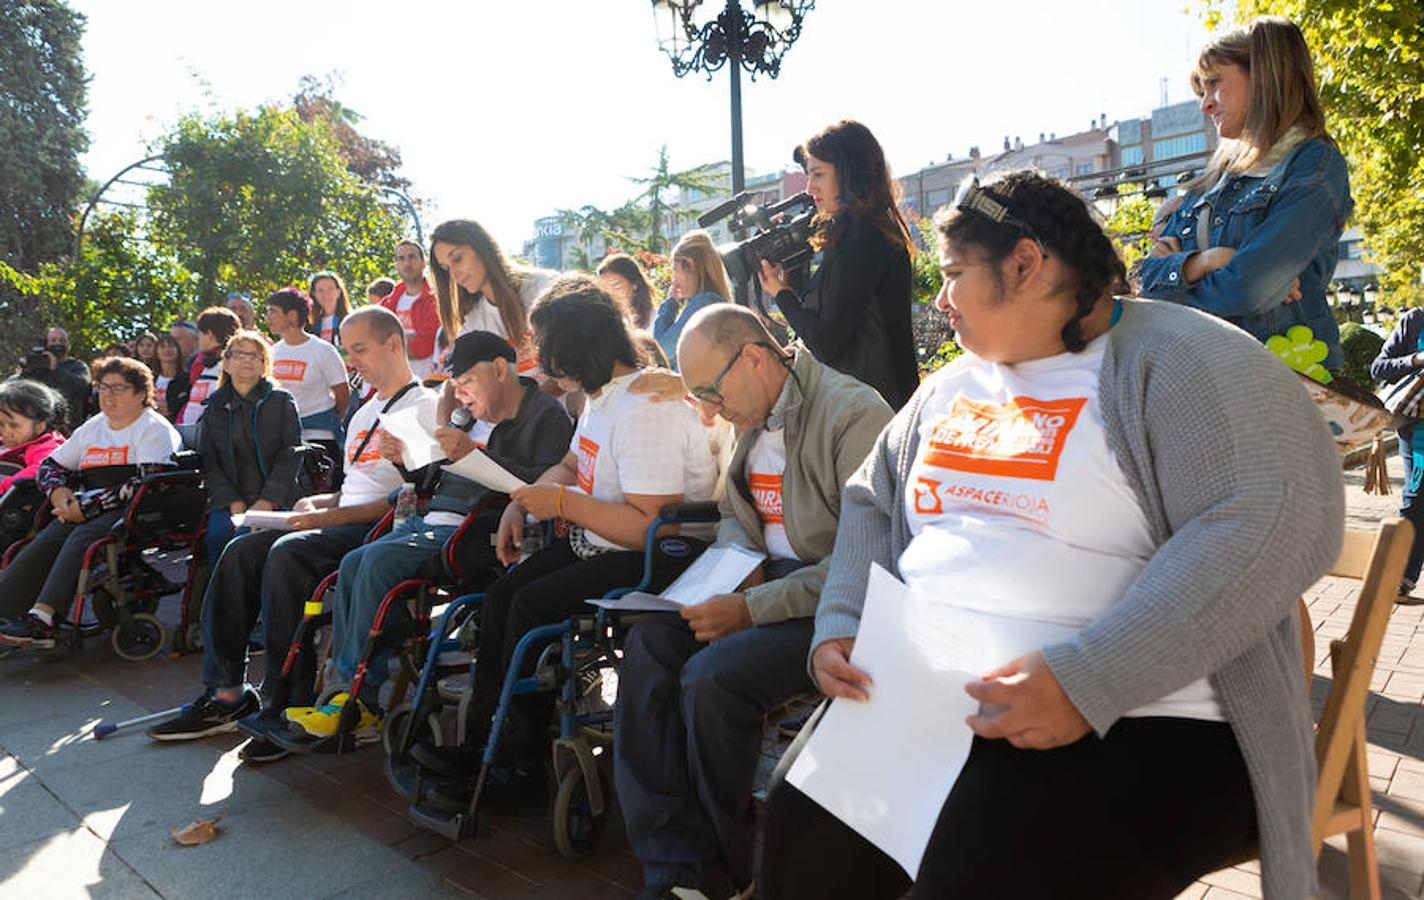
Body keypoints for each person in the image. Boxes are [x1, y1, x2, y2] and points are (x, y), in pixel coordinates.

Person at [755, 169, 1345, 900]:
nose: (942, 299)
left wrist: (1087, 676)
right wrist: (844, 619)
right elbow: (872, 498)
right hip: (933, 701)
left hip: (1149, 720)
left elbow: (1271, 519)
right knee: (798, 837)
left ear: (1026, 264)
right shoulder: (952, 385)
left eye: (954, 275)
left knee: (975, 868)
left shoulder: (1189, 360)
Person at [614, 304, 892, 898]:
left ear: (757, 358)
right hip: (762, 583)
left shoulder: (854, 414)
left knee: (713, 680)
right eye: (699, 400)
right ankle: (673, 862)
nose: (710, 412)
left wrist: (754, 605)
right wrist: (739, 569)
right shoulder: (753, 415)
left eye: (710, 394)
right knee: (649, 644)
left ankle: (722, 870)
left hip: (831, 605)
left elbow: (863, 561)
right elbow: (736, 517)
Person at [416, 275, 719, 812]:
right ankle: (485, 738)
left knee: (530, 606)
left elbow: (655, 526)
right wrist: (524, 497)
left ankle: (518, 761)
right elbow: (575, 462)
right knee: (504, 596)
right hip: (601, 542)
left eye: (552, 349)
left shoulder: (647, 408)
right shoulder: (606, 398)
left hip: (653, 560)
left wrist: (562, 506)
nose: (548, 364)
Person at [146, 306, 437, 759]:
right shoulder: (366, 409)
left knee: (287, 553)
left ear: (394, 344)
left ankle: (288, 699)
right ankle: (225, 692)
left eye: (359, 350)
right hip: (343, 518)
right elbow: (354, 486)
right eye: (348, 350)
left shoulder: (424, 406)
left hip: (378, 532)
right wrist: (321, 503)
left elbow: (416, 500)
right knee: (241, 551)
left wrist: (327, 518)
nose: (352, 360)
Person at [285, 330, 575, 742]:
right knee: (354, 561)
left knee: (377, 562)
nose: (462, 394)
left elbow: (542, 484)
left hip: (477, 530)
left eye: (467, 383)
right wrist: (405, 459)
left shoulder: (544, 415)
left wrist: (474, 455)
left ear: (498, 370)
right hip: (432, 518)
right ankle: (344, 690)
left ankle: (361, 699)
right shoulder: (467, 415)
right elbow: (432, 477)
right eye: (456, 387)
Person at [1136, 16, 1351, 372]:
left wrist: (1176, 280)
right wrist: (1201, 263)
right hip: (1209, 375)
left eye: (1214, 84)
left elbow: (1250, 288)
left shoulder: (1315, 164)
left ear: (1266, 75)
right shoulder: (1212, 180)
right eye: (1201, 90)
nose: (1204, 105)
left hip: (1286, 381)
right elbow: (1143, 280)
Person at [0, 358, 182, 648]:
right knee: (50, 534)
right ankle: (6, 607)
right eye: (103, 387)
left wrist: (86, 508)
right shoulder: (94, 426)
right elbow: (50, 466)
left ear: (140, 393)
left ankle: (43, 619)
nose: (108, 396)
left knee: (82, 536)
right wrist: (58, 493)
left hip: (137, 509)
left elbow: (147, 483)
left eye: (118, 389)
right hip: (85, 506)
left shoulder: (153, 429)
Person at [757, 120, 918, 411]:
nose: (809, 187)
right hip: (878, 404)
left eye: (818, 174)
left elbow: (825, 342)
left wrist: (779, 293)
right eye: (808, 175)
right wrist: (792, 263)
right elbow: (827, 317)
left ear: (849, 174)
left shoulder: (861, 238)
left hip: (871, 412)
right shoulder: (868, 231)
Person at [197, 330, 303, 567]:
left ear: (264, 364)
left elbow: (291, 454)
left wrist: (267, 500)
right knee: (219, 537)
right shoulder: (214, 407)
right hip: (230, 498)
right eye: (240, 354)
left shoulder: (281, 401)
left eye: (255, 355)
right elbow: (210, 462)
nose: (247, 359)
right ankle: (223, 601)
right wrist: (232, 500)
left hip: (276, 496)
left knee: (246, 540)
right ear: (226, 363)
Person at [1371, 309, 1424, 599]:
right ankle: (1403, 575)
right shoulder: (1416, 321)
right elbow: (1378, 368)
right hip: (1419, 428)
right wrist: (1416, 359)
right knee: (1417, 501)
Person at [266, 288, 351, 465]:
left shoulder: (323, 350)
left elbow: (343, 394)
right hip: (281, 439)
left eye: (273, 311)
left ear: (292, 315)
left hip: (319, 438)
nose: (268, 317)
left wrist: (326, 420)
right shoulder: (272, 352)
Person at [654, 231, 729, 370]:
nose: (673, 279)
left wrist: (670, 304)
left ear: (689, 263)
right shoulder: (710, 302)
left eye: (675, 269)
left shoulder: (704, 304)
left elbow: (661, 353)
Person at [382, 241, 441, 379]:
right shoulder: (388, 302)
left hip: (427, 382)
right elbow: (374, 339)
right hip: (393, 381)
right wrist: (408, 338)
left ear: (423, 262)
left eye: (412, 257)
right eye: (401, 259)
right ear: (396, 265)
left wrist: (389, 343)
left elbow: (423, 346)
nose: (407, 263)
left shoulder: (436, 301)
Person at [178, 306, 242, 427]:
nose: (199, 339)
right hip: (193, 435)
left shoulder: (233, 367)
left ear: (210, 335)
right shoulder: (208, 365)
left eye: (200, 334)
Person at [0, 380, 66, 494]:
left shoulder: (47, 449)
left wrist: (4, 488)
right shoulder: (7, 443)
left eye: (14, 425)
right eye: (0, 424)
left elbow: (42, 468)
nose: (5, 431)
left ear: (39, 426)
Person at [597, 252, 658, 331]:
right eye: (605, 289)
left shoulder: (656, 320)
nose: (611, 294)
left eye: (616, 287)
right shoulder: (604, 324)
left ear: (635, 284)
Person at [307, 270, 353, 348]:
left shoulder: (351, 320)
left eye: (330, 288)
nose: (326, 294)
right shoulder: (309, 324)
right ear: (314, 294)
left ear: (338, 292)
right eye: (320, 290)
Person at [153, 335, 191, 421]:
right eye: (162, 347)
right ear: (156, 352)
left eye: (171, 346)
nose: (167, 350)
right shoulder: (150, 379)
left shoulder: (187, 379)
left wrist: (170, 407)